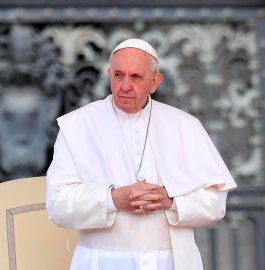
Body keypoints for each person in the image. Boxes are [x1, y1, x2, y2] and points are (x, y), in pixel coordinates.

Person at [46, 38, 237, 270]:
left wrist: (169, 201)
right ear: (109, 75)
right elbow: (57, 205)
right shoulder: (77, 125)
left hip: (170, 262)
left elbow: (215, 204)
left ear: (154, 82)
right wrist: (113, 199)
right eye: (118, 75)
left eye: (136, 77)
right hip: (101, 262)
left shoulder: (184, 125)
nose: (125, 86)